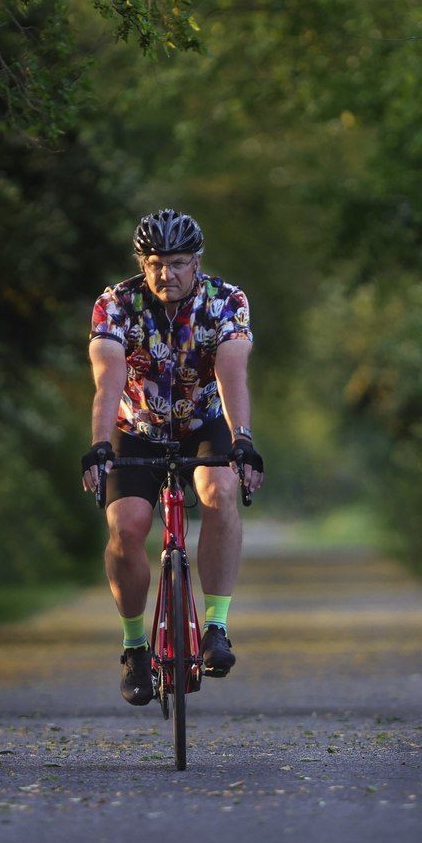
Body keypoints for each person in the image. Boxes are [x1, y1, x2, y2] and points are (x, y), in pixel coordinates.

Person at [81, 210, 266, 706]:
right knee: (126, 528)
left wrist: (242, 438)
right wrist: (99, 444)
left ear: (197, 262)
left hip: (204, 423)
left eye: (179, 263)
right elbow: (109, 373)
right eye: (156, 263)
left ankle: (216, 627)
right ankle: (135, 647)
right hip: (135, 427)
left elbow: (231, 370)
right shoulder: (115, 302)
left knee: (219, 490)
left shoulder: (227, 301)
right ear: (141, 263)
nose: (167, 275)